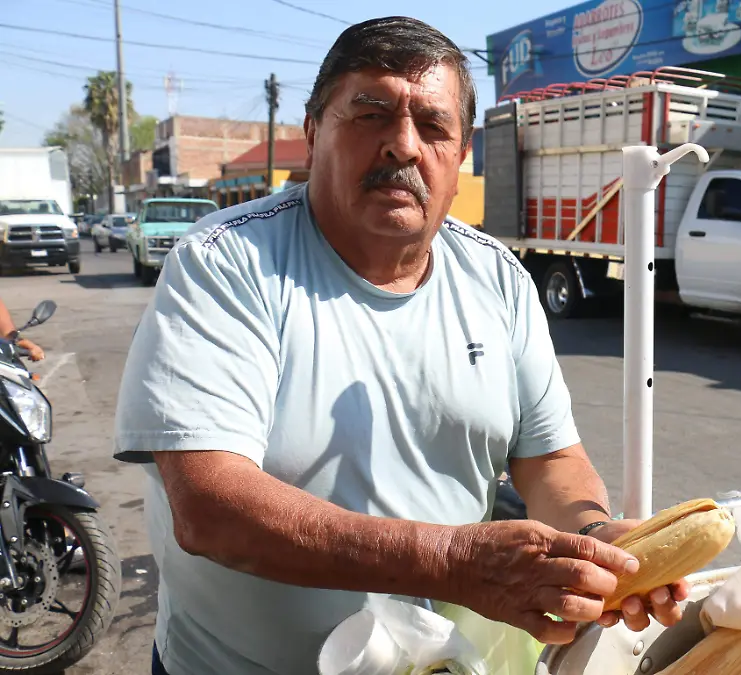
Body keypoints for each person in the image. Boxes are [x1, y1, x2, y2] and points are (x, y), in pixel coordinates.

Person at [113, 16, 689, 675]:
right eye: (370, 114)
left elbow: (550, 459)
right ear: (312, 131)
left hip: (436, 662)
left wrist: (592, 540)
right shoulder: (227, 264)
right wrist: (452, 562)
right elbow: (209, 506)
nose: (402, 145)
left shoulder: (498, 281)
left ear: (461, 154)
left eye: (433, 125)